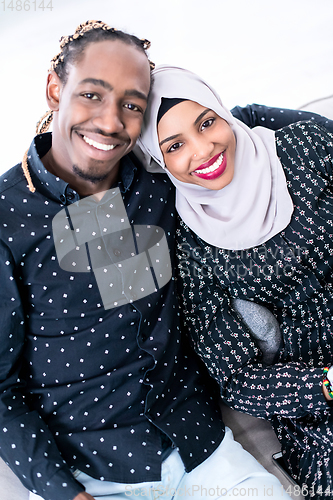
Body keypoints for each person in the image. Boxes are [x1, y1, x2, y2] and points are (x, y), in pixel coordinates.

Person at [0, 21, 295, 500]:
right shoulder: (10, 220)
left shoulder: (160, 178)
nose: (111, 122)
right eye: (92, 95)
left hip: (199, 448)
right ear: (55, 89)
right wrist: (64, 492)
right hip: (91, 471)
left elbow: (234, 120)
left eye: (132, 104)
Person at [138, 65, 333, 498]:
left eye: (207, 122)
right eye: (175, 145)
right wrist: (325, 383)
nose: (204, 149)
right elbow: (238, 379)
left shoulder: (306, 146)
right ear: (159, 159)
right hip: (320, 401)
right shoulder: (192, 247)